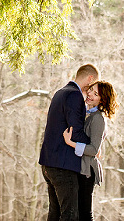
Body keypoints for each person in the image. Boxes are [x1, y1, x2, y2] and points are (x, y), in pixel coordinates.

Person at [39, 64, 100, 221]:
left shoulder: (60, 93)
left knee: (55, 213)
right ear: (90, 78)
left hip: (49, 163)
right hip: (63, 166)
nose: (91, 90)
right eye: (92, 86)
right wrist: (92, 146)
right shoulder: (74, 96)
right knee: (70, 215)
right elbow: (75, 132)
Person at [63, 81, 118, 221]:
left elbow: (94, 149)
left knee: (85, 213)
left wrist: (71, 143)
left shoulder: (98, 118)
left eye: (96, 94)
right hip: (82, 168)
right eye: (91, 90)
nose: (90, 94)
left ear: (102, 99)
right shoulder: (89, 114)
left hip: (88, 171)